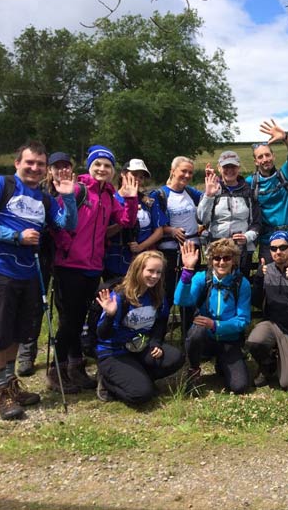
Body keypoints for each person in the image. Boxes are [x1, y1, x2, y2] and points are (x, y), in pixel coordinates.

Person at [51, 144, 139, 394]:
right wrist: (67, 249)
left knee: (79, 322)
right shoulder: (77, 189)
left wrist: (131, 199)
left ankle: (76, 369)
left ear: (112, 171)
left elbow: (125, 221)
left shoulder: (109, 196)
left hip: (93, 266)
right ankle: (56, 371)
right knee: (68, 321)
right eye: (97, 164)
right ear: (89, 166)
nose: (102, 169)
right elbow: (57, 225)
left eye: (107, 165)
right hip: (69, 266)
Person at [0, 141, 77, 420]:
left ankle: (10, 385)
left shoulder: (44, 199)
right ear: (17, 162)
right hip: (2, 271)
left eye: (40, 164)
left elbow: (68, 225)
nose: (34, 168)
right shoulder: (2, 185)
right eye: (29, 162)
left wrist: (67, 197)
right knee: (0, 333)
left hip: (31, 273)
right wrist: (15, 237)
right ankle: (1, 393)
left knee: (17, 332)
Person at [95, 251, 184, 404]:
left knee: (176, 357)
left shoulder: (158, 295)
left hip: (140, 346)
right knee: (141, 395)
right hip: (114, 352)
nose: (155, 276)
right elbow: (102, 335)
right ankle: (106, 381)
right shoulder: (119, 297)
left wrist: (156, 342)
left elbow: (160, 321)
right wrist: (110, 315)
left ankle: (139, 377)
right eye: (150, 271)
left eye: (158, 272)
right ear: (138, 270)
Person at [17, 151, 77, 377]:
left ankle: (66, 354)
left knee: (64, 307)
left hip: (65, 256)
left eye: (66, 166)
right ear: (49, 170)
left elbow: (69, 224)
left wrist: (69, 197)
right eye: (57, 166)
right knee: (34, 304)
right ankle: (27, 352)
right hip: (38, 253)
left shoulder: (76, 191)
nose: (62, 170)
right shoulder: (39, 193)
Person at [175, 239, 251, 395]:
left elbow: (243, 320)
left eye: (226, 258)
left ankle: (222, 364)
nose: (221, 262)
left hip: (229, 340)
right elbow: (180, 300)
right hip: (205, 338)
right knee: (197, 331)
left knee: (240, 386)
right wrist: (188, 270)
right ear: (211, 260)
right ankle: (194, 369)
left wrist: (216, 325)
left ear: (234, 260)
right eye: (217, 258)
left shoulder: (241, 283)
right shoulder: (202, 278)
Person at [248, 231, 288, 390]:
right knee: (254, 341)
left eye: (283, 247)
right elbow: (256, 302)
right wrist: (258, 278)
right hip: (272, 323)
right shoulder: (266, 270)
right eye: (274, 248)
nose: (278, 252)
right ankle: (268, 365)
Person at [156, 156, 203, 335]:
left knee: (191, 293)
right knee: (166, 294)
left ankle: (189, 336)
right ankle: (159, 336)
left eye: (190, 172)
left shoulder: (190, 192)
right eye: (183, 171)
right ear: (173, 170)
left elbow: (208, 201)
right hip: (169, 250)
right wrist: (171, 230)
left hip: (193, 248)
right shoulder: (160, 194)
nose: (187, 175)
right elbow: (155, 224)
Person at [198, 150, 260, 277]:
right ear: (219, 168)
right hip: (216, 248)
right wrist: (209, 195)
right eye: (226, 167)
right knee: (215, 285)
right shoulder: (213, 188)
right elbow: (201, 220)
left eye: (233, 166)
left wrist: (247, 237)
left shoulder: (249, 192)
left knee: (240, 284)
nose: (230, 170)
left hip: (241, 249)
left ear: (239, 168)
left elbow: (257, 223)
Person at [246, 120, 288, 263]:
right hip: (267, 241)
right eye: (260, 157)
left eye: (267, 155)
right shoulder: (250, 182)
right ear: (256, 161)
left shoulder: (285, 174)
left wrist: (285, 137)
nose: (265, 159)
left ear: (273, 156)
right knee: (269, 281)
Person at [103, 159, 165, 280]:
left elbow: (159, 231)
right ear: (123, 174)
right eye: (134, 175)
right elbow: (103, 233)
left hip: (143, 261)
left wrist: (140, 247)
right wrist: (126, 219)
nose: (137, 179)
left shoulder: (149, 202)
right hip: (114, 261)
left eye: (141, 177)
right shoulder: (110, 199)